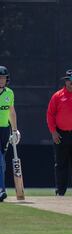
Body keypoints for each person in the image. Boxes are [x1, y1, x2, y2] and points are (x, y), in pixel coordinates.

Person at [0, 66, 21, 202]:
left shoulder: (9, 93)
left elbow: (11, 112)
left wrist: (14, 130)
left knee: (2, 161)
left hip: (4, 130)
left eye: (3, 78)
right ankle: (1, 189)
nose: (1, 80)